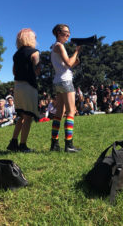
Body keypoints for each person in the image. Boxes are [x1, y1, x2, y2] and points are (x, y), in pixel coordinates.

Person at [7, 28, 40, 152]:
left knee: (21, 115)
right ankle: (23, 145)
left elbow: (14, 71)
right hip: (29, 86)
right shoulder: (35, 52)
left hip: (17, 86)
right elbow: (37, 70)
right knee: (28, 116)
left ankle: (13, 142)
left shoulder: (16, 54)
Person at [50, 24, 81, 152]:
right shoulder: (59, 46)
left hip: (58, 81)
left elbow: (66, 65)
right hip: (66, 81)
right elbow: (68, 63)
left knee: (59, 113)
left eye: (69, 32)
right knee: (70, 112)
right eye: (65, 32)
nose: (68, 35)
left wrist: (75, 60)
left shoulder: (54, 47)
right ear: (58, 33)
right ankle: (69, 145)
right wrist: (77, 51)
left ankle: (54, 144)